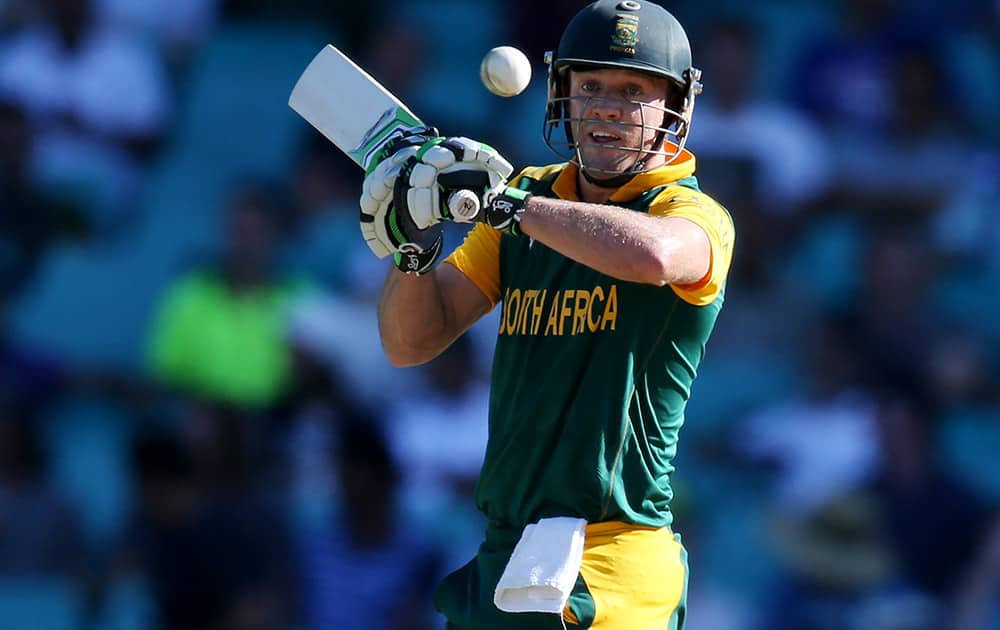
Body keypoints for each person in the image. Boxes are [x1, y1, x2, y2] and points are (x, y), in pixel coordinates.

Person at [357, 1, 734, 627]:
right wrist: (414, 248)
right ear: (564, 95)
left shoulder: (692, 215)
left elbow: (656, 255)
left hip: (616, 556)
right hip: (507, 550)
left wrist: (504, 207)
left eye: (634, 90)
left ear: (677, 108)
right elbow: (411, 342)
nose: (608, 107)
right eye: (590, 86)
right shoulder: (529, 199)